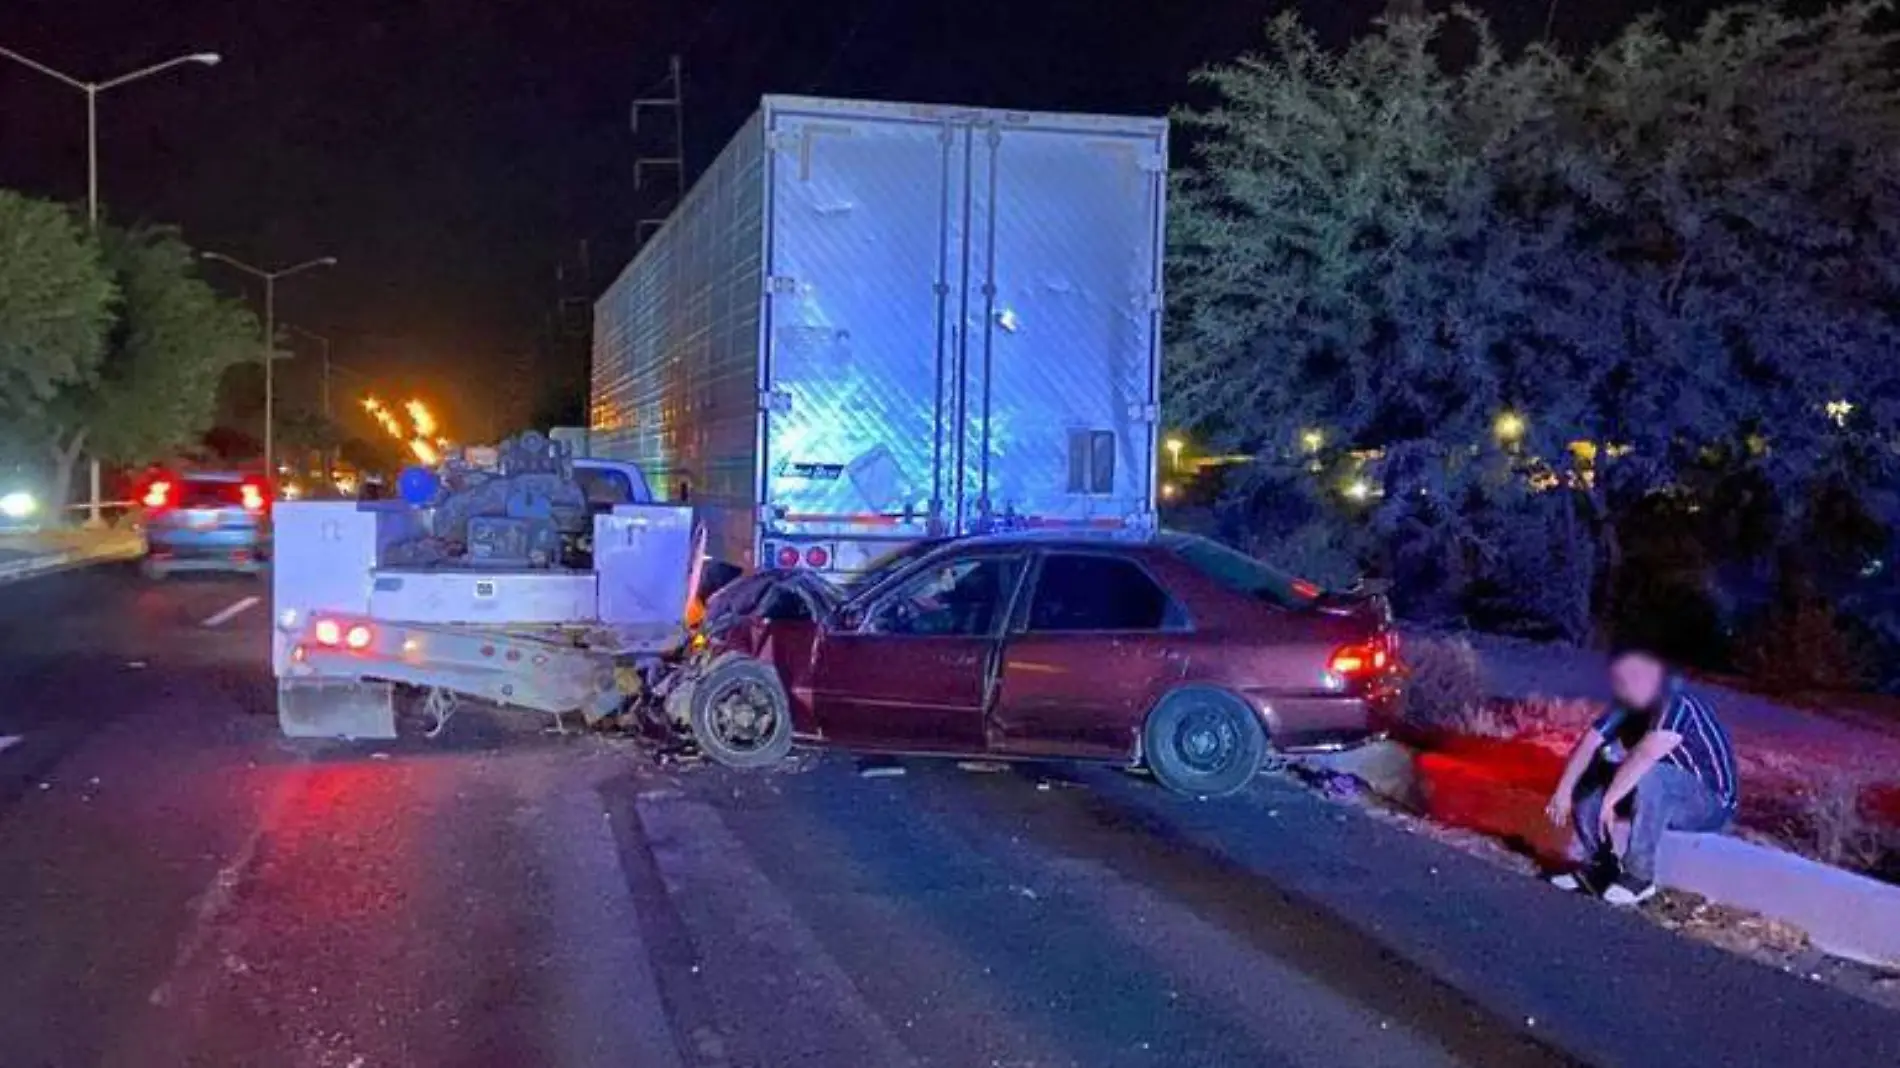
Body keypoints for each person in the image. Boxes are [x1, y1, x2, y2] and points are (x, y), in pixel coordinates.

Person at [1544, 645, 1739, 905]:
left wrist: (1610, 800)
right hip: (1664, 793)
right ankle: (1600, 868)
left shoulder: (1677, 705)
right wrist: (1564, 791)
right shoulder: (1630, 704)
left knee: (1652, 775)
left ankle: (1639, 876)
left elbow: (1646, 755)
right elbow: (1590, 742)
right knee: (1594, 771)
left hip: (1711, 804)